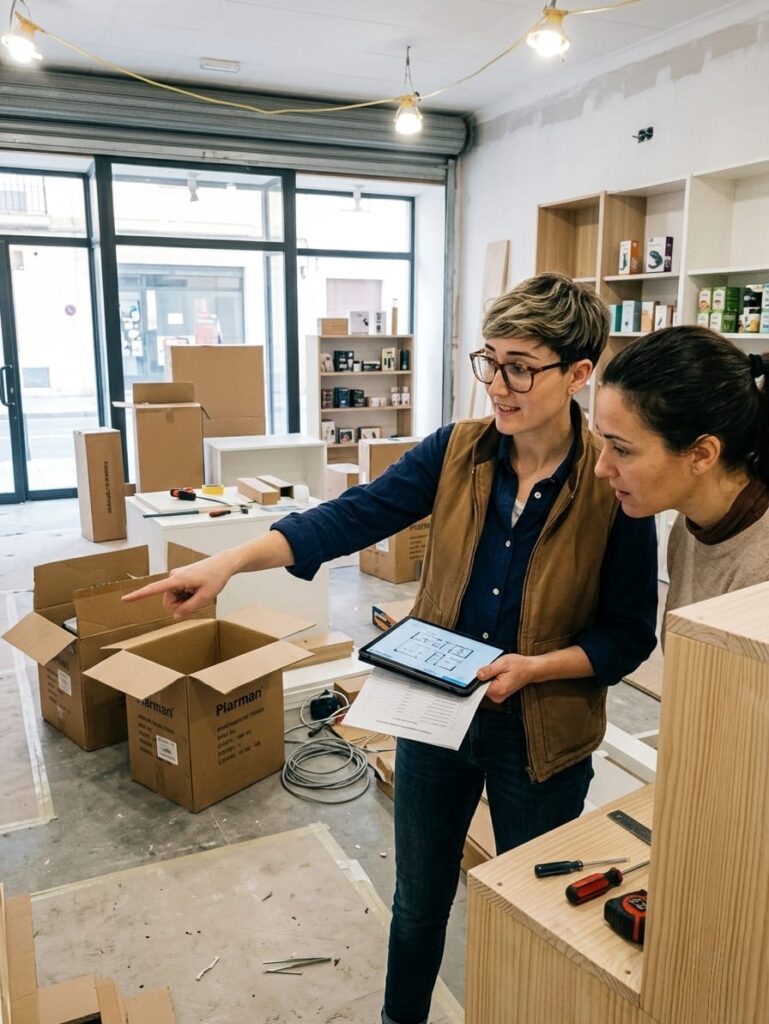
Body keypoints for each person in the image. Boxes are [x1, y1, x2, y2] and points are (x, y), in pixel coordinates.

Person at [125, 272, 658, 1024]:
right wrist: (228, 563)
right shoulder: (457, 453)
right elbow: (351, 516)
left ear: (576, 374)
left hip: (541, 738)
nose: (496, 386)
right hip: (437, 718)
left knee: (538, 917)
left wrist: (537, 668)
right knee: (415, 905)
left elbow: (631, 632)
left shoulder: (611, 482)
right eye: (489, 360)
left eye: (518, 367)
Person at [595, 326, 769, 614]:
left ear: (701, 455)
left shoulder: (760, 574)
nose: (601, 468)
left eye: (622, 449)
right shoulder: (689, 527)